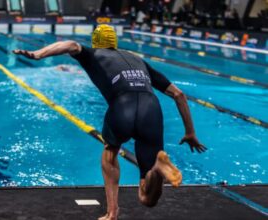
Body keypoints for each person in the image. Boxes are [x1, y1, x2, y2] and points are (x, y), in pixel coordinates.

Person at [13, 24, 206, 220]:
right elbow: (179, 95)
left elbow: (70, 44)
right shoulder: (137, 59)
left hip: (123, 107)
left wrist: (38, 54)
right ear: (114, 41)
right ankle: (157, 168)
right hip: (151, 110)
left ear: (95, 41)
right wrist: (190, 132)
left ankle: (112, 212)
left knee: (110, 154)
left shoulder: (93, 54)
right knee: (147, 198)